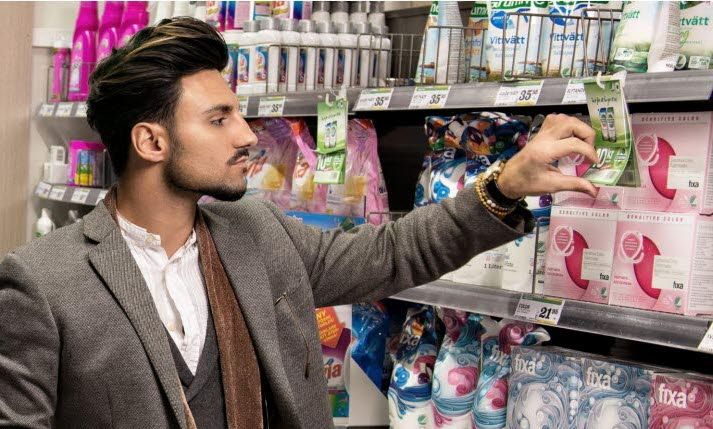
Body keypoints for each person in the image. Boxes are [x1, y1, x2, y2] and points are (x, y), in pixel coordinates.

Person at [0, 17, 597, 429]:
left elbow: (391, 254)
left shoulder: (256, 231)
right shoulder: (42, 284)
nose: (246, 135)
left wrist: (504, 185)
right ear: (151, 141)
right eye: (219, 119)